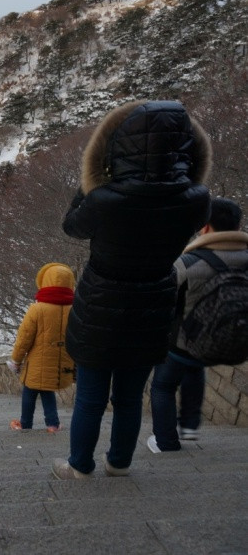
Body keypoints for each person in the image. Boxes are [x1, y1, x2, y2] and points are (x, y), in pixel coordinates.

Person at [52, 100, 211, 480]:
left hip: (101, 303)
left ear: (117, 148)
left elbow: (72, 226)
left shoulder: (105, 200)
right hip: (154, 301)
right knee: (129, 397)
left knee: (91, 396)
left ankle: (79, 465)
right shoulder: (197, 199)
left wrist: (89, 183)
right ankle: (119, 462)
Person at [148, 197, 248, 452]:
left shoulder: (188, 263)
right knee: (195, 368)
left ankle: (166, 443)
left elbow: (166, 305)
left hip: (185, 343)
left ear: (205, 227)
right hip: (237, 339)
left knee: (163, 386)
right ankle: (190, 426)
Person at [7, 263, 76, 433]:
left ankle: (25, 423)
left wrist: (16, 359)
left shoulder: (37, 309)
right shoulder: (75, 309)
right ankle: (52, 424)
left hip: (37, 362)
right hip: (61, 362)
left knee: (29, 392)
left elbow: (24, 338)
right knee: (47, 390)